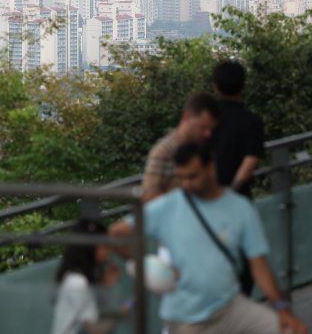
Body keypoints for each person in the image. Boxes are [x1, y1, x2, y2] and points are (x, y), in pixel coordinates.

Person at [110, 143, 308, 334]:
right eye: (181, 178)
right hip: (187, 317)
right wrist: (144, 263)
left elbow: (259, 264)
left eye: (193, 176)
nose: (186, 184)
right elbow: (116, 233)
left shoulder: (239, 207)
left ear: (210, 167)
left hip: (231, 307)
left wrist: (282, 308)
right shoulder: (167, 206)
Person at [141, 93, 220, 202]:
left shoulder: (206, 147)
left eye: (211, 129)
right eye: (203, 127)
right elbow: (149, 197)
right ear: (186, 117)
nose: (208, 134)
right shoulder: (164, 151)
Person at [52, 220, 119, 334]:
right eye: (105, 245)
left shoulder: (76, 279)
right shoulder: (77, 282)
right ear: (91, 248)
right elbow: (94, 330)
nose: (108, 251)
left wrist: (106, 286)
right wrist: (124, 312)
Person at [211, 60, 265, 199]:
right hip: (240, 197)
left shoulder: (205, 117)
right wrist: (230, 193)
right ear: (243, 85)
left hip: (206, 195)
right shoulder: (252, 121)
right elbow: (251, 160)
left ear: (216, 86)